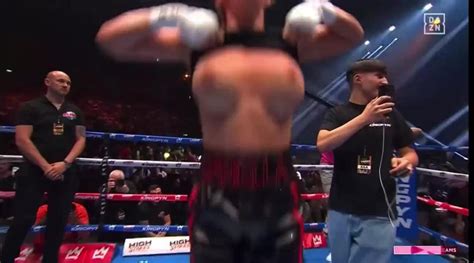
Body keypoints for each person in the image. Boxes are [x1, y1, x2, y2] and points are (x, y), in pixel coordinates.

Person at [95, 1, 363, 262]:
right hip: (217, 185)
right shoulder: (200, 43)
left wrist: (323, 9)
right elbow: (111, 40)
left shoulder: (289, 42)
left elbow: (352, 36)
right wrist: (166, 14)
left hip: (276, 182)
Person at [316, 59, 419, 263]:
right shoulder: (337, 113)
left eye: (385, 76)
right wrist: (365, 118)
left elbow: (410, 152)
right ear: (358, 79)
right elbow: (323, 144)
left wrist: (407, 162)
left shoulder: (391, 115)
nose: (385, 81)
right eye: (379, 76)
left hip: (379, 210)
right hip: (340, 210)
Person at [1, 71, 86, 263]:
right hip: (34, 170)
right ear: (47, 82)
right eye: (61, 81)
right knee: (23, 218)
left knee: (58, 220)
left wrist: (65, 164)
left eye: (68, 82)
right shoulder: (30, 107)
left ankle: (50, 260)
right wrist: (46, 166)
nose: (65, 85)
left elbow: (81, 139)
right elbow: (22, 140)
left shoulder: (75, 110)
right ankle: (6, 258)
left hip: (65, 171)